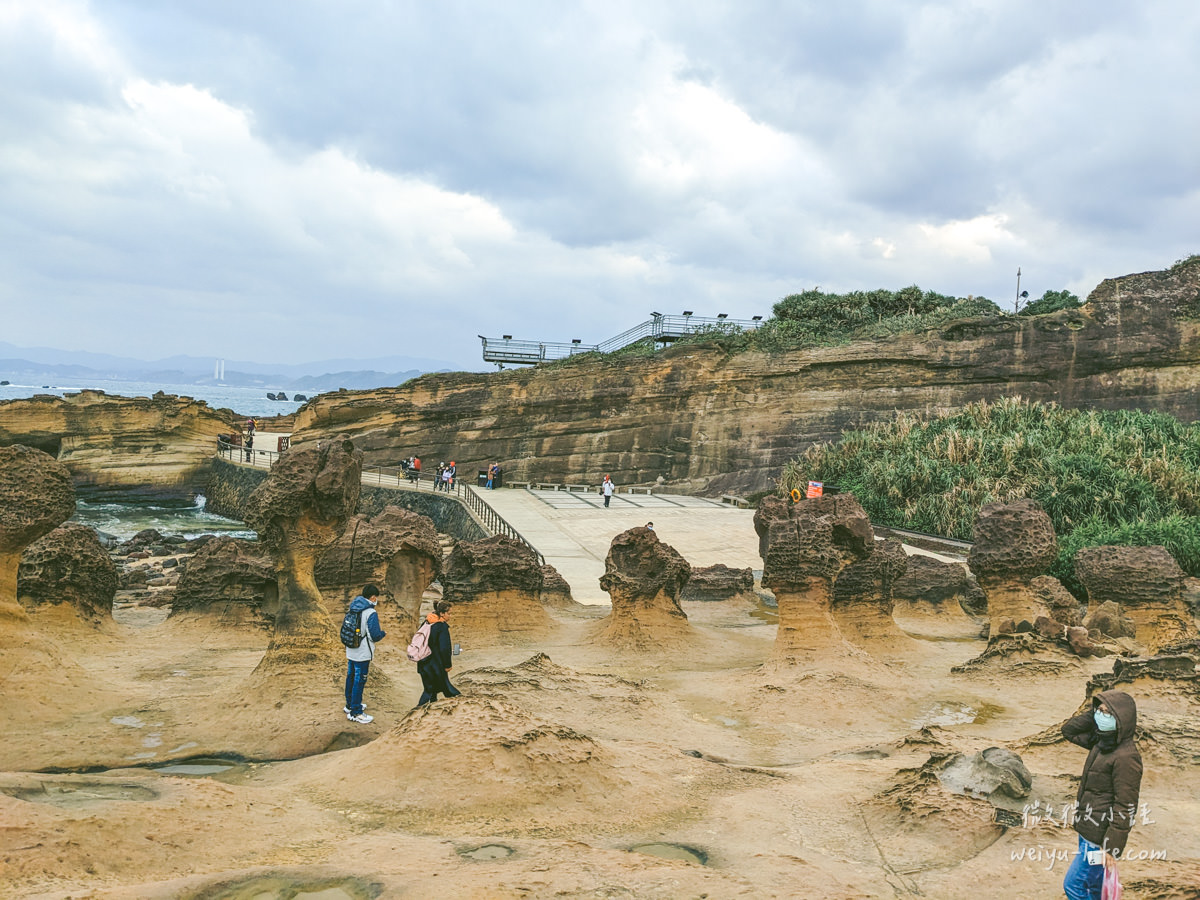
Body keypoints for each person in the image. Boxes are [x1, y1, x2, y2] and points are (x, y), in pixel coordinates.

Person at [1061, 690, 1143, 900]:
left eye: (1108, 713)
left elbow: (1126, 806)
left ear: (1121, 719)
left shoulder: (1126, 757)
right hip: (1087, 828)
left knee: (1074, 886)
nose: (1101, 715)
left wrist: (1111, 848)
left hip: (1099, 838)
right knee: (1096, 887)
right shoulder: (1101, 742)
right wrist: (1095, 713)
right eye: (1100, 711)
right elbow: (1068, 730)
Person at [344, 583, 387, 724]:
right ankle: (356, 712)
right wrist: (382, 634)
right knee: (359, 680)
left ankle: (349, 705)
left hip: (351, 649)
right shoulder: (370, 613)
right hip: (362, 652)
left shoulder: (353, 607)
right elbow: (374, 635)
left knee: (351, 677)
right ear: (373, 597)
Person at [417, 600, 461, 706]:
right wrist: (447, 665)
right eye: (449, 613)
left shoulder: (426, 622)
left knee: (430, 689)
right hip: (436, 664)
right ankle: (460, 706)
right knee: (447, 689)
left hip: (423, 662)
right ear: (442, 613)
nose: (450, 616)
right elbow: (444, 649)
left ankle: (429, 709)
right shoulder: (441, 626)